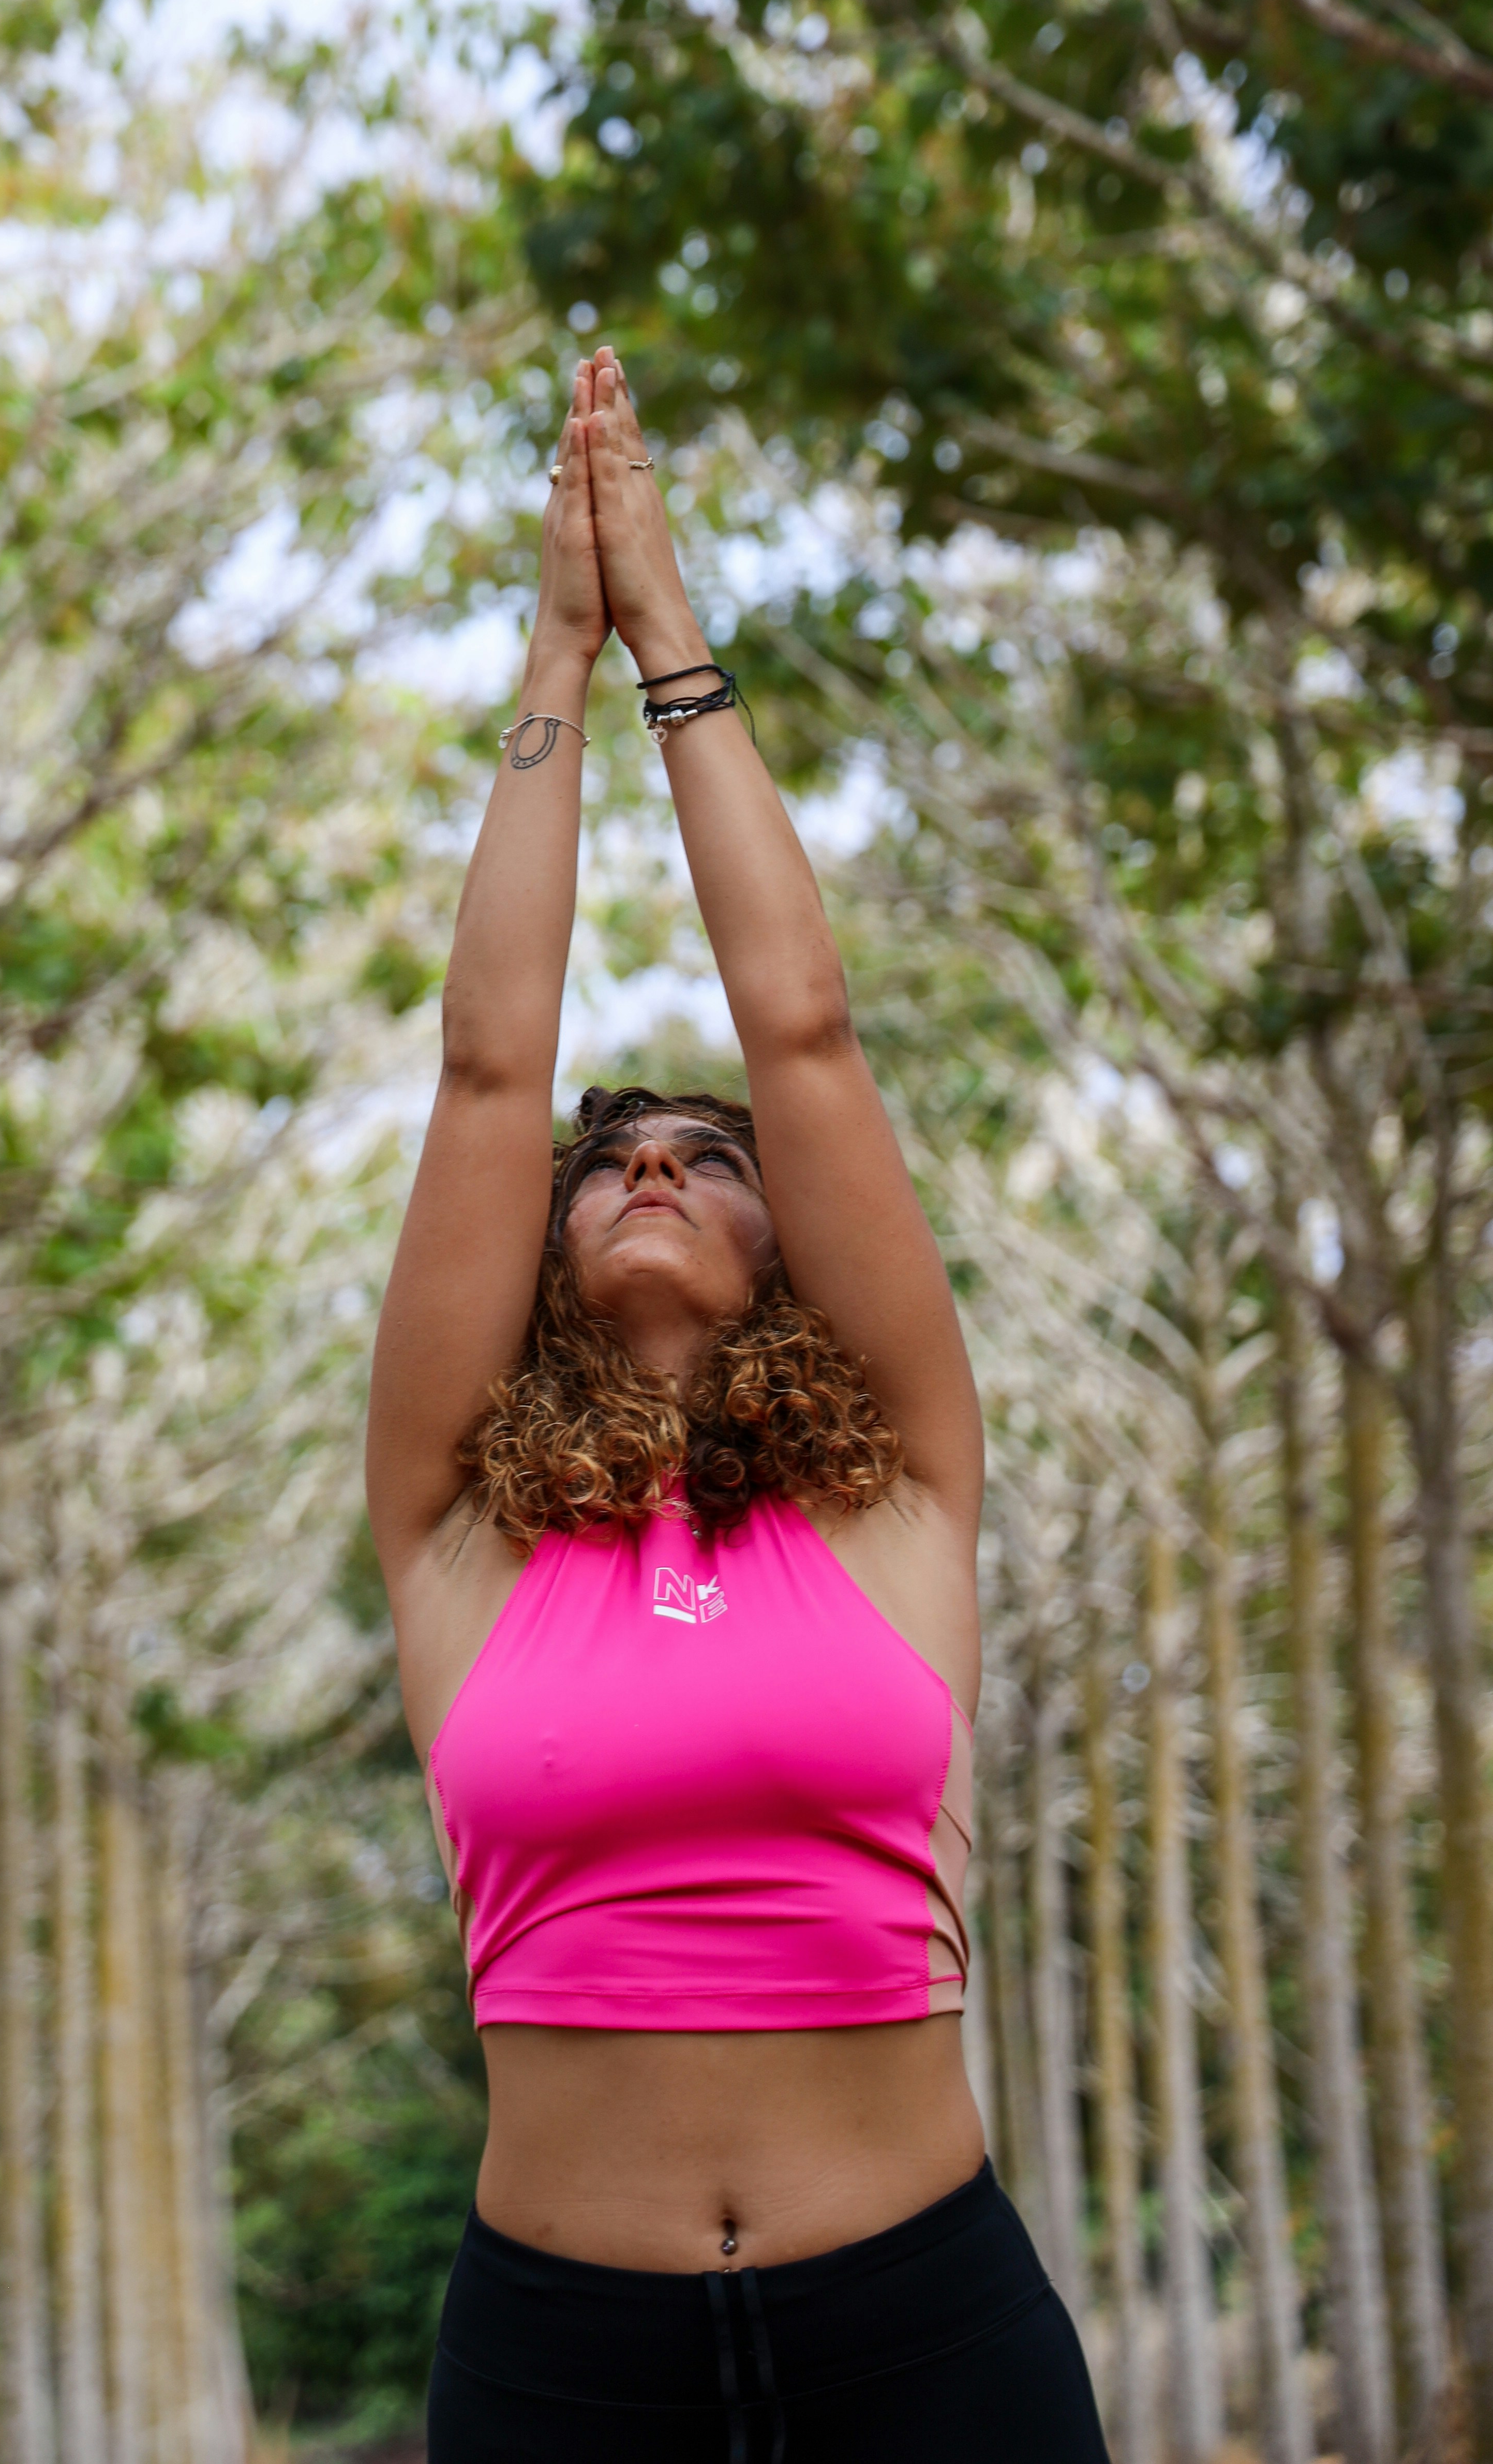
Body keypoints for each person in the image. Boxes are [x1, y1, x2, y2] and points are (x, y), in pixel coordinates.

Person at [365, 347, 1109, 2462]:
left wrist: (672, 643)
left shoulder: (899, 1502)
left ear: (785, 1239)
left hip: (929, 2334)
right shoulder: (459, 1537)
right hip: (555, 2366)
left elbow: (804, 1024)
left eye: (701, 1155)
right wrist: (550, 650)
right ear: (545, 1245)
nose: (653, 1168)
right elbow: (490, 1065)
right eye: (611, 1162)